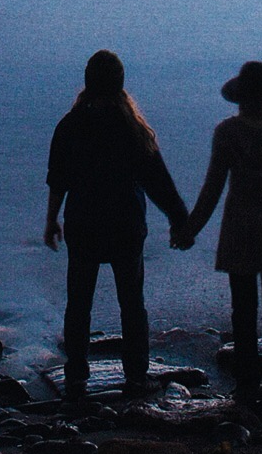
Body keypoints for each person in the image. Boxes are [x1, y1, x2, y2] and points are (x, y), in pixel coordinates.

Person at [45, 49, 191, 397]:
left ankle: (76, 373)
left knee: (78, 302)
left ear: (87, 81)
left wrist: (51, 220)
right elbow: (157, 179)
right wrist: (178, 217)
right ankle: (137, 374)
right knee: (131, 301)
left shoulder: (70, 125)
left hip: (83, 223)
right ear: (121, 83)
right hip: (126, 224)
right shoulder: (132, 128)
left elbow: (57, 179)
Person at [183, 59, 262, 415]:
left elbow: (212, 189)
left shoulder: (227, 132)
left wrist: (190, 230)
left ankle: (247, 383)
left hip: (240, 228)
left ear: (239, 97)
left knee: (244, 310)